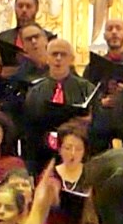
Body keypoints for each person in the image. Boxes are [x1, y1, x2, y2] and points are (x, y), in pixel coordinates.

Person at [21, 39, 95, 172]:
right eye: (54, 54)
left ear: (71, 59)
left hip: (78, 154)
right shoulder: (35, 91)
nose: (58, 59)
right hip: (43, 155)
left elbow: (97, 123)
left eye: (63, 54)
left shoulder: (86, 88)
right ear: (47, 58)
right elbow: (29, 129)